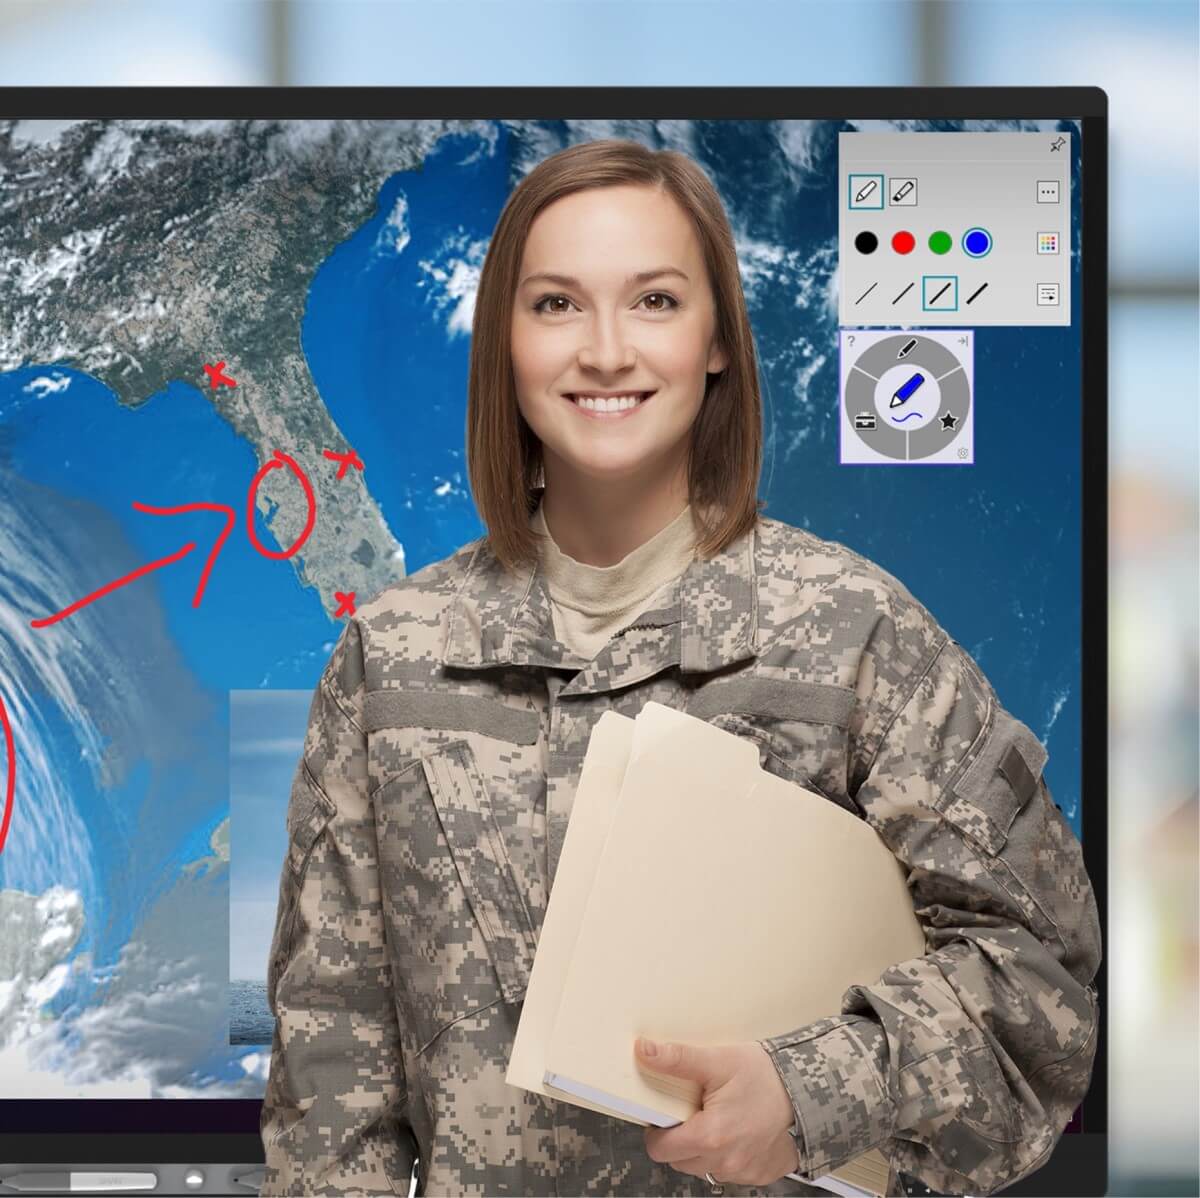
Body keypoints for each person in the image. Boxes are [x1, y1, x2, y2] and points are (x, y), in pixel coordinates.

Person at [259, 138, 1102, 1198]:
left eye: (654, 300)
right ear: (505, 345)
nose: (605, 350)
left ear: (716, 342)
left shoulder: (856, 636)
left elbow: (1042, 988)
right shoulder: (391, 660)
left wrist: (810, 1092)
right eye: (556, 304)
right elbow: (329, 1072)